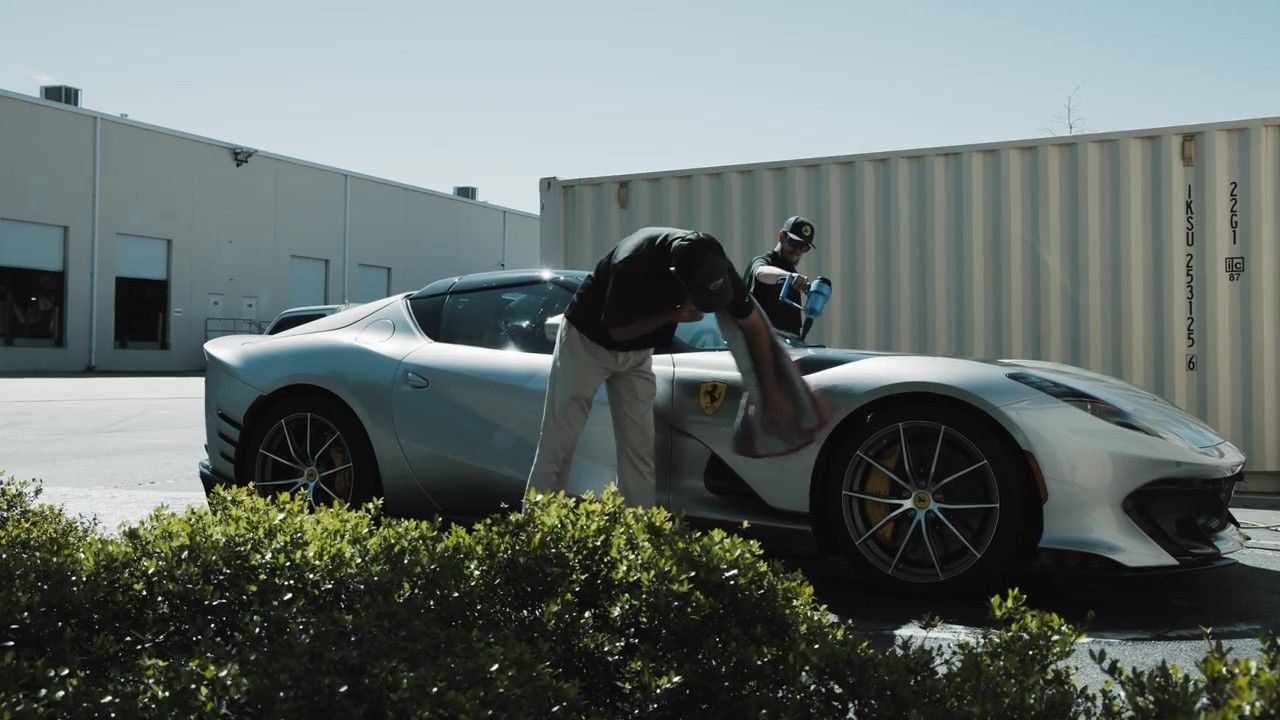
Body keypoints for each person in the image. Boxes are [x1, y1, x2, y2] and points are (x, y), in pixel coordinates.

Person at [524, 226, 793, 509]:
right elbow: (616, 330)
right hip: (588, 343)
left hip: (637, 354)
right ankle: (536, 525)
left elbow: (748, 317)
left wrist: (771, 381)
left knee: (639, 447)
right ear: (678, 276)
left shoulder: (712, 260)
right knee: (560, 438)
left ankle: (637, 534)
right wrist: (673, 314)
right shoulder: (633, 262)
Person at [744, 215, 817, 336]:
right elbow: (760, 272)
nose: (798, 251)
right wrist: (790, 276)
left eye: (804, 247)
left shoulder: (794, 276)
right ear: (782, 236)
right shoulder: (763, 261)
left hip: (786, 350)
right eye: (794, 244)